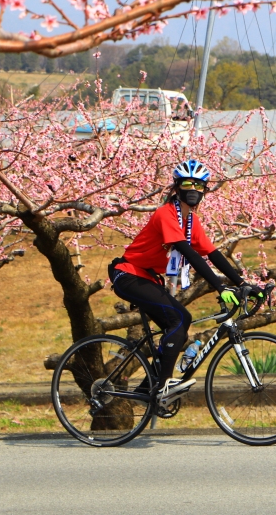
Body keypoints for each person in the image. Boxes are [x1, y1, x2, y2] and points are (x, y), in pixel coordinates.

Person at [108, 159, 257, 403]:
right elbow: (187, 251)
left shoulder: (191, 221)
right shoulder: (165, 214)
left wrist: (243, 284)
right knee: (177, 320)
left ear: (204, 190)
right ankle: (163, 386)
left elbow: (212, 253)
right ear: (177, 187)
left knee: (182, 321)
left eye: (199, 185)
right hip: (128, 275)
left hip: (146, 278)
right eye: (187, 183)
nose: (193, 190)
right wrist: (219, 286)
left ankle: (148, 389)